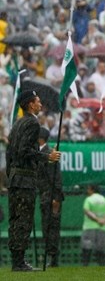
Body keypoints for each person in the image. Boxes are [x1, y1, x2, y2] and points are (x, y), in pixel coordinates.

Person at [7, 91, 61, 271]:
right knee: (23, 219)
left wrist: (10, 175)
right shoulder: (32, 122)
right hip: (25, 179)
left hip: (14, 178)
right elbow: (24, 151)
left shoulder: (17, 124)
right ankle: (19, 262)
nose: (40, 104)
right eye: (38, 101)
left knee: (15, 219)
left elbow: (10, 153)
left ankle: (17, 260)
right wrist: (47, 156)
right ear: (30, 104)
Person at [36, 127, 63, 267]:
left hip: (51, 195)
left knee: (52, 227)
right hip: (44, 194)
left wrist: (56, 197)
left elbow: (56, 177)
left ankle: (53, 257)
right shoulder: (41, 152)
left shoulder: (49, 153)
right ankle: (50, 255)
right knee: (46, 226)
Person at [81, 184, 105, 266]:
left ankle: (85, 266)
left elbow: (87, 211)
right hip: (102, 228)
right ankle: (102, 266)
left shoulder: (89, 199)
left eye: (88, 189)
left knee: (87, 247)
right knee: (100, 249)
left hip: (89, 227)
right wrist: (104, 220)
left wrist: (96, 219)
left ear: (91, 190)